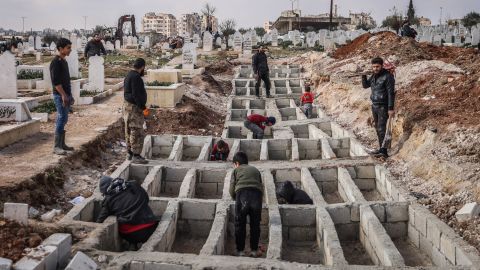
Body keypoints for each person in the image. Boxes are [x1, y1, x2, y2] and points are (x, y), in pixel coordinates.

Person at [96, 176, 159, 250]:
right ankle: (136, 245)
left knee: (121, 223)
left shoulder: (108, 200)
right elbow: (146, 198)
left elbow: (100, 219)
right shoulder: (133, 184)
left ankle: (132, 244)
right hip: (149, 226)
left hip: (130, 233)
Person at [229, 152, 263, 257]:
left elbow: (231, 189)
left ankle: (240, 251)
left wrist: (236, 199)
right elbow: (261, 186)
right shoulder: (256, 170)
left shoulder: (236, 170)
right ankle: (254, 250)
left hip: (242, 195)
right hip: (256, 196)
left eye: (234, 164)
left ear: (237, 163)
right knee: (255, 224)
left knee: (240, 224)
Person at [362, 57, 395, 158]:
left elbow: (390, 93)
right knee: (377, 128)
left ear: (382, 66)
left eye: (377, 67)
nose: (375, 69)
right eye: (373, 67)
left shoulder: (388, 77)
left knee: (381, 128)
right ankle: (381, 148)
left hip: (383, 106)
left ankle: (384, 152)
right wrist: (363, 76)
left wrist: (390, 108)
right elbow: (365, 85)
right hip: (374, 105)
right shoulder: (373, 76)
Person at [50, 38, 75, 155]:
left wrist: (70, 95)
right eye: (68, 48)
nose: (70, 50)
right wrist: (64, 95)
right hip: (59, 95)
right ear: (61, 49)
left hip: (65, 95)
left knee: (64, 119)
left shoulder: (63, 61)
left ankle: (62, 144)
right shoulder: (55, 62)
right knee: (61, 118)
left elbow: (66, 81)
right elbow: (56, 82)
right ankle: (56, 146)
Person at [124, 58, 149, 164]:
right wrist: (143, 108)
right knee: (136, 131)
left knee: (129, 130)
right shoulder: (136, 77)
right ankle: (136, 155)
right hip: (134, 108)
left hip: (128, 107)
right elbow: (136, 94)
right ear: (142, 67)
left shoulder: (129, 74)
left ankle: (129, 153)